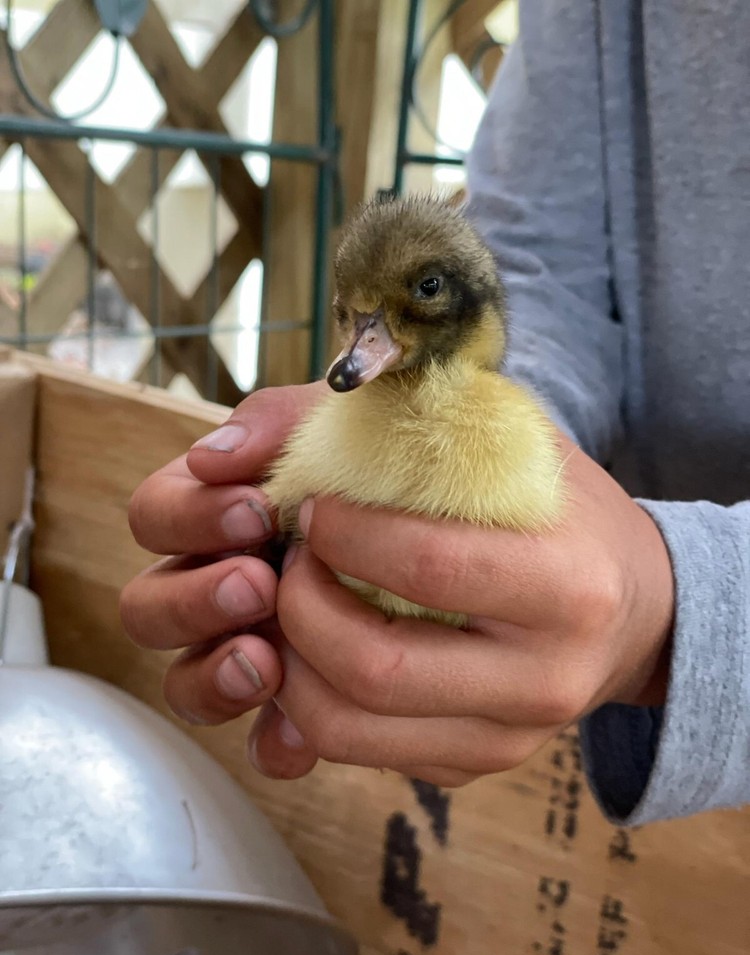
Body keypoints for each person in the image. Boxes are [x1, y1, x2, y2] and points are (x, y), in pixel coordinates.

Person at [120, 0, 749, 826]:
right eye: (357, 320)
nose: (357, 350)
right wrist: (583, 568)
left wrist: (690, 612)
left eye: (405, 305)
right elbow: (538, 257)